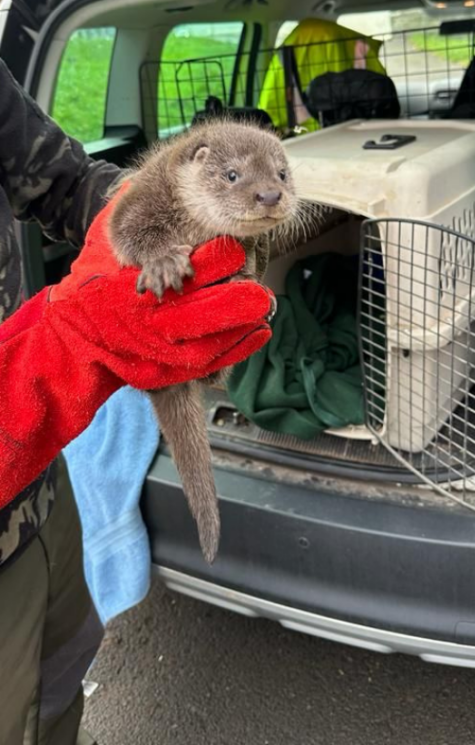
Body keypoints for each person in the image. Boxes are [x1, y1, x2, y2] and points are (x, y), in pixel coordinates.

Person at [0, 62, 274, 745]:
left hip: (40, 491)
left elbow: (63, 182)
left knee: (62, 680)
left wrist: (163, 219)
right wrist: (60, 350)